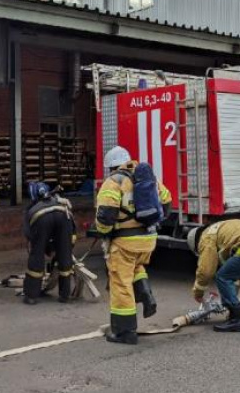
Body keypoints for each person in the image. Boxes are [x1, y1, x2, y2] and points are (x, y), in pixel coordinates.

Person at [94, 146, 172, 345]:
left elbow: (105, 215)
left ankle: (125, 332)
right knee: (136, 267)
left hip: (125, 241)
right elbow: (167, 202)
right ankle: (146, 295)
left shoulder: (113, 182)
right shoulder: (148, 178)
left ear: (111, 166)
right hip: (148, 239)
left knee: (120, 283)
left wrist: (103, 234)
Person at [22, 182, 77, 305]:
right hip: (64, 218)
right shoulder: (62, 204)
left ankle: (31, 296)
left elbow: (31, 237)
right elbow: (72, 232)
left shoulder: (32, 210)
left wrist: (43, 249)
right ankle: (65, 295)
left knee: (36, 257)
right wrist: (63, 249)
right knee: (65, 257)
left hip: (40, 220)